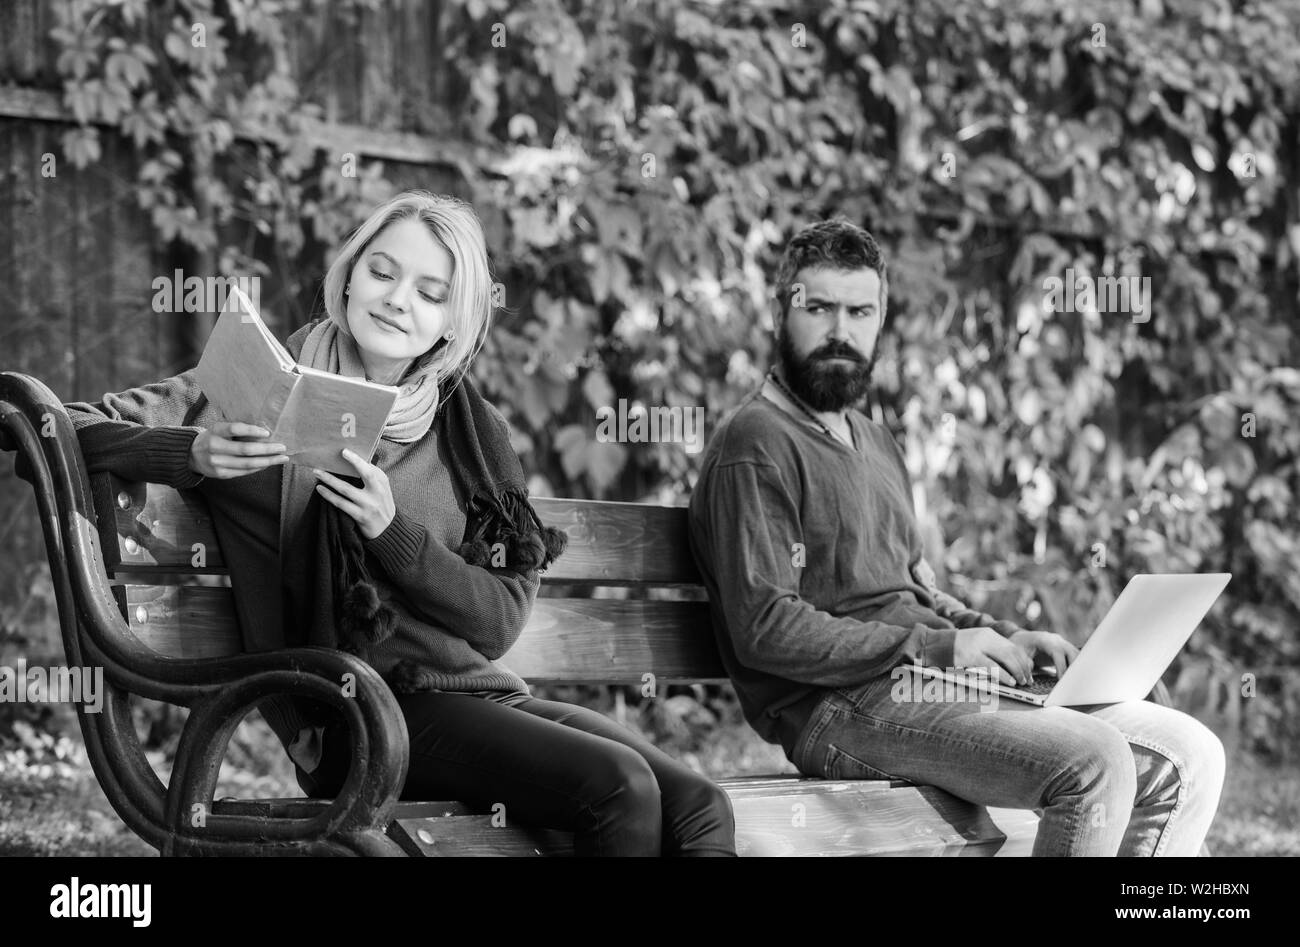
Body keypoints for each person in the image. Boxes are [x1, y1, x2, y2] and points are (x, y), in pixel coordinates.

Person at [64, 190, 735, 857]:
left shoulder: (472, 432)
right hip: (359, 708)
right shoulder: (257, 384)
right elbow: (63, 423)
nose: (396, 298)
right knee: (619, 788)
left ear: (453, 320)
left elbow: (498, 622)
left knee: (700, 807)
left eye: (430, 291)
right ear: (349, 277)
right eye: (382, 272)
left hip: (480, 694)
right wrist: (189, 452)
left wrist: (392, 532)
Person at [686, 218, 1225, 856]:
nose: (840, 331)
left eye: (860, 310)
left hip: (930, 687)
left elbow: (914, 587)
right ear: (783, 313)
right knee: (1095, 764)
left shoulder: (876, 440)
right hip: (837, 708)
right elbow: (766, 628)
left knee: (1191, 754)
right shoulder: (754, 444)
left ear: (881, 317)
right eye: (819, 308)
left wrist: (994, 636)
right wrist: (935, 649)